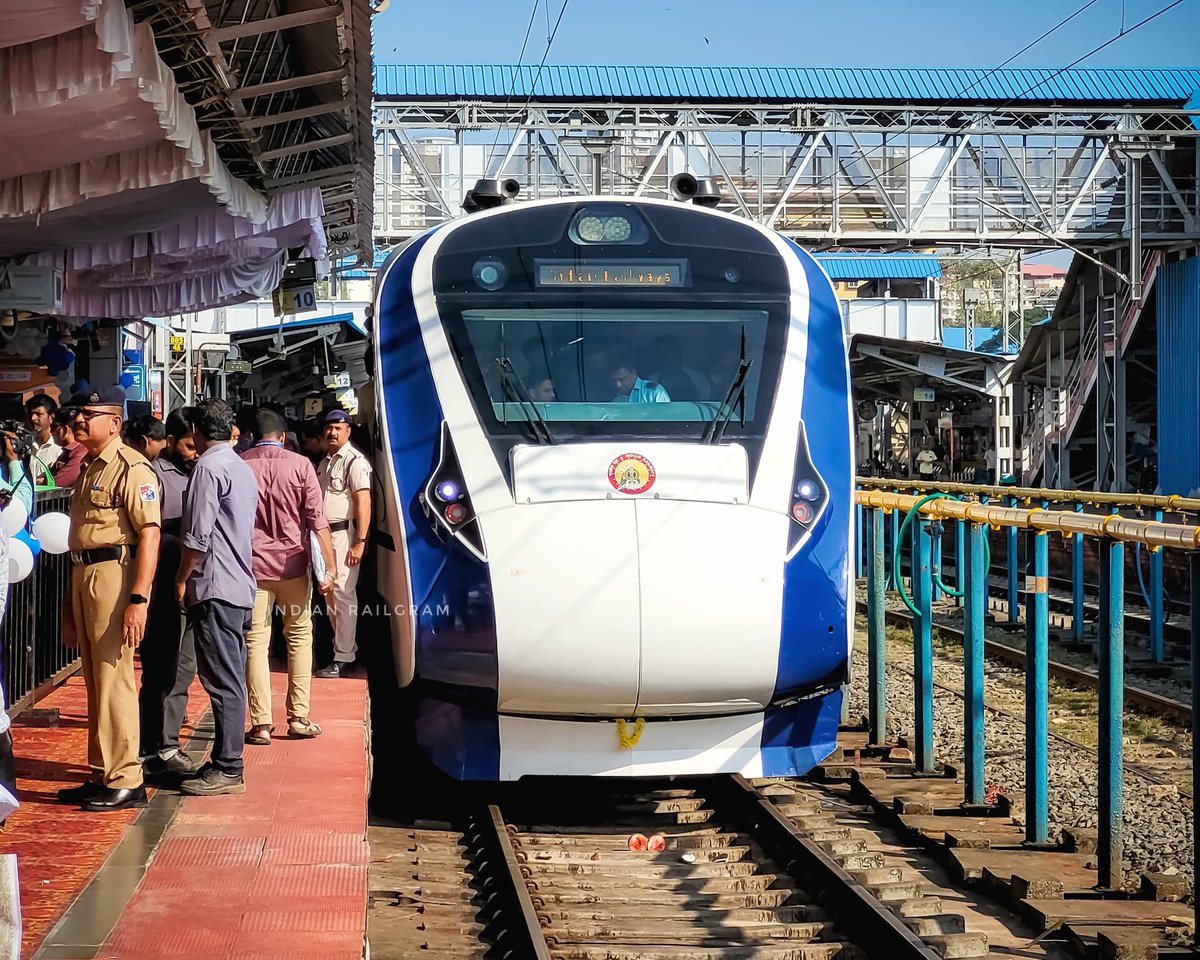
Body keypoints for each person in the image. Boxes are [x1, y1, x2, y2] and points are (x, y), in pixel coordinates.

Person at [56, 386, 161, 812]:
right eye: (77, 413)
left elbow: (149, 533)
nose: (79, 420)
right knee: (95, 678)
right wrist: (68, 605)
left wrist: (138, 598)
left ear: (115, 422)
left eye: (88, 413)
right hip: (84, 572)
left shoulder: (131, 467)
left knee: (114, 678)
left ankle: (127, 778)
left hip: (114, 575)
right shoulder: (88, 466)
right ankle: (103, 771)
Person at [174, 399, 258, 796]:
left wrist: (181, 578)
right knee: (232, 677)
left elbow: (197, 536)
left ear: (197, 431)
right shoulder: (240, 466)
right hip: (238, 584)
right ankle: (227, 761)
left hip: (214, 584)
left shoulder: (208, 468)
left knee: (223, 681)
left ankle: (228, 766)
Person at [241, 408, 337, 743]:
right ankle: (298, 717)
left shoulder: (239, 465)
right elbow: (317, 521)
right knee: (298, 636)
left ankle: (261, 723)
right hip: (293, 567)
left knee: (255, 642)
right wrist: (329, 568)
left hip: (251, 567)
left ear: (250, 436)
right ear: (282, 436)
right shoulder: (301, 465)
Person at [139, 407, 200, 782]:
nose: (195, 452)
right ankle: (152, 748)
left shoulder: (201, 474)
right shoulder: (154, 476)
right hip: (163, 585)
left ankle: (168, 743)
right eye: (190, 446)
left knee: (184, 668)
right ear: (172, 441)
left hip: (193, 585)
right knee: (161, 669)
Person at [314, 410, 372, 678]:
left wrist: (360, 541)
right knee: (330, 594)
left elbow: (363, 501)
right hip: (324, 535)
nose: (332, 432)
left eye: (338, 428)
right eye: (329, 428)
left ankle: (344, 656)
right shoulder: (325, 462)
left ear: (348, 431)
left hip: (344, 535)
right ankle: (345, 649)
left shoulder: (354, 461)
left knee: (343, 592)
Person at [25, 393, 61, 486]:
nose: (33, 418)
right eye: (31, 414)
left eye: (38, 414)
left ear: (51, 417)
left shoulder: (59, 448)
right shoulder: (27, 445)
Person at [49, 408, 87, 488]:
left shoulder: (80, 453)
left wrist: (43, 481)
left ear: (64, 429)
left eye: (53, 427)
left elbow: (58, 482)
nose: (51, 431)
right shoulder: (67, 452)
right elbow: (47, 476)